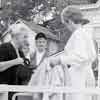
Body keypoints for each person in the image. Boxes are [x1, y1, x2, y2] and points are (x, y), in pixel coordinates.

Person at [59, 6, 97, 100]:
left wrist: (60, 60)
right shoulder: (85, 33)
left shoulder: (78, 34)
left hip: (79, 76)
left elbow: (80, 57)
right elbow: (91, 56)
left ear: (70, 21)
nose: (67, 28)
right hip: (86, 74)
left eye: (66, 24)